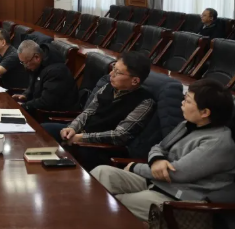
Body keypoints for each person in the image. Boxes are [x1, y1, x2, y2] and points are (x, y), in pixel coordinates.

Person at [91, 79, 235, 222]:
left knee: (113, 202)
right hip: (157, 182)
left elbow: (176, 174)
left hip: (180, 199)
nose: (182, 103)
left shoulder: (217, 142)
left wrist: (135, 167)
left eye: (188, 101)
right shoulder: (187, 124)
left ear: (205, 112)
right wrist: (157, 160)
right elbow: (159, 147)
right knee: (102, 172)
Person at [42, 52, 156, 169]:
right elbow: (88, 112)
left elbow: (119, 135)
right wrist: (72, 128)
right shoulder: (108, 86)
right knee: (45, 129)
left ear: (135, 81)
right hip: (82, 134)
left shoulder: (145, 102)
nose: (111, 74)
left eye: (117, 72)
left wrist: (82, 138)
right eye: (113, 68)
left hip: (102, 147)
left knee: (76, 154)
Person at [13, 40, 78, 114]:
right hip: (39, 110)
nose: (25, 66)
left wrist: (25, 106)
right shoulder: (38, 64)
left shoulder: (56, 72)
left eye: (25, 62)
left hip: (54, 115)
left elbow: (46, 102)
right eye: (22, 62)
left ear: (37, 57)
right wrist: (26, 95)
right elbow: (34, 86)